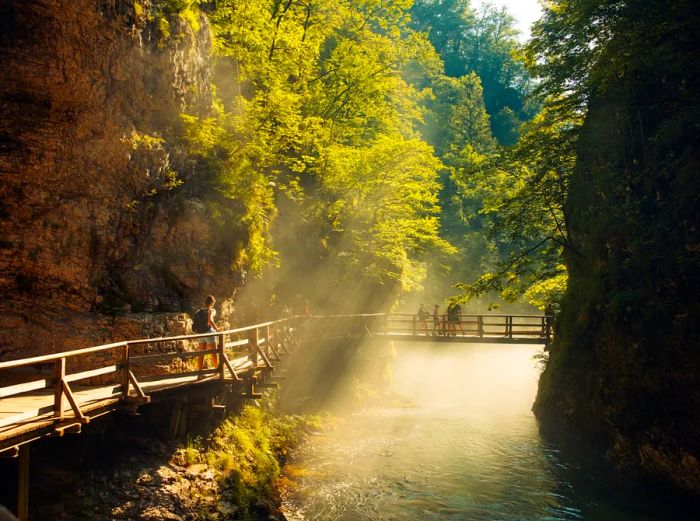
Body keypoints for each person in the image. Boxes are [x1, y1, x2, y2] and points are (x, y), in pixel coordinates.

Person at [195, 295, 220, 372]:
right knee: (214, 352)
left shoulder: (199, 311)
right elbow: (210, 321)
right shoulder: (211, 310)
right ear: (212, 303)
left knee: (201, 354)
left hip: (200, 333)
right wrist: (217, 329)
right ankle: (218, 370)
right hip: (208, 332)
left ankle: (199, 373)